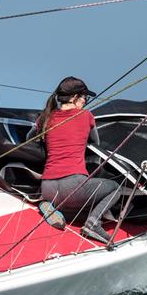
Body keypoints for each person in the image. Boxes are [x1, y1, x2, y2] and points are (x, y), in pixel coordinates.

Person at [38, 76, 120, 244]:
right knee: (115, 189)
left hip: (47, 187)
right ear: (75, 97)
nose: (85, 101)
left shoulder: (45, 118)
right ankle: (93, 223)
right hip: (73, 186)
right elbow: (96, 142)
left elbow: (29, 136)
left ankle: (50, 206)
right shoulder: (85, 116)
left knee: (75, 208)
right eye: (84, 97)